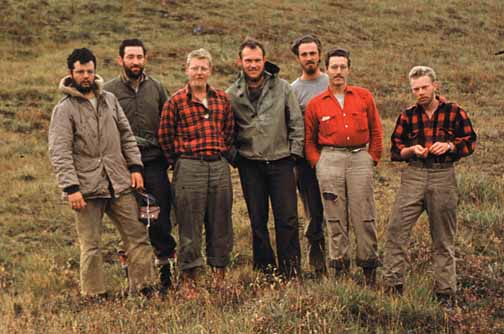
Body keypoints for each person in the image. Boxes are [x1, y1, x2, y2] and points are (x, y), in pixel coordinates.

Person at [48, 48, 155, 298]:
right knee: (91, 245)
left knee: (137, 235)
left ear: (95, 71)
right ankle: (95, 295)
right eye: (80, 72)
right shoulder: (63, 110)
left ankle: (143, 289)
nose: (86, 76)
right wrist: (71, 188)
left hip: (118, 181)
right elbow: (59, 152)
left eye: (90, 71)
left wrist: (135, 167)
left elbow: (127, 136)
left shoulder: (109, 99)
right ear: (70, 73)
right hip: (85, 187)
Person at [383, 66, 476, 303]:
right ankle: (393, 287)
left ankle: (445, 293)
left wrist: (450, 146)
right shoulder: (407, 115)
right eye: (415, 89)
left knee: (443, 237)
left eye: (424, 87)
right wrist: (410, 150)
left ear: (435, 85)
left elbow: (470, 142)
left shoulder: (454, 111)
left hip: (443, 175)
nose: (420, 92)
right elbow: (395, 149)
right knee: (396, 231)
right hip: (413, 175)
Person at [158, 48, 234, 299]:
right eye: (195, 68)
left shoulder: (222, 99)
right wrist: (181, 163)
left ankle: (218, 275)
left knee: (220, 221)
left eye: (204, 68)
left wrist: (219, 156)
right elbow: (165, 138)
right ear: (186, 70)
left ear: (210, 70)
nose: (199, 72)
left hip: (218, 166)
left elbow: (229, 132)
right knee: (189, 224)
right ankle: (188, 279)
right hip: (189, 166)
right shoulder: (175, 102)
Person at [304, 47, 383, 286]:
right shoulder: (316, 103)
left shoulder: (363, 96)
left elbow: (376, 131)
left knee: (364, 214)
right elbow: (309, 140)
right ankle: (339, 268)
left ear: (349, 69)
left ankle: (369, 270)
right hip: (330, 160)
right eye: (334, 67)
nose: (338, 72)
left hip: (360, 158)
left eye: (342, 67)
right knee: (335, 217)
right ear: (326, 70)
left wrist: (372, 159)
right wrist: (319, 164)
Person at [227, 38, 304, 279]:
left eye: (257, 60)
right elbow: (226, 130)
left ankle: (291, 270)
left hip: (281, 161)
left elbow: (296, 122)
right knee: (257, 220)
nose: (253, 65)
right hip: (250, 164)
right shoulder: (231, 94)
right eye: (248, 60)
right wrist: (235, 158)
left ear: (264, 60)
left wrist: (294, 154)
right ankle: (266, 270)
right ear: (240, 62)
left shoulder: (283, 88)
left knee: (288, 219)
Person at [104, 39, 176, 293]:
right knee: (130, 220)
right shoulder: (109, 92)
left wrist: (168, 156)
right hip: (122, 166)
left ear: (146, 58)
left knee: (159, 218)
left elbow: (168, 123)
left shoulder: (156, 88)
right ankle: (134, 276)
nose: (135, 62)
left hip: (154, 163)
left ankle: (166, 271)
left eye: (139, 57)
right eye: (130, 57)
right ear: (120, 59)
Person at [290, 34, 329, 277]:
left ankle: (339, 260)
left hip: (335, 156)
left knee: (337, 212)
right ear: (298, 58)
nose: (309, 58)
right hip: (306, 163)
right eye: (304, 54)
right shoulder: (293, 90)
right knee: (314, 213)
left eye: (313, 53)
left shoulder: (331, 82)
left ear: (320, 54)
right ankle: (318, 265)